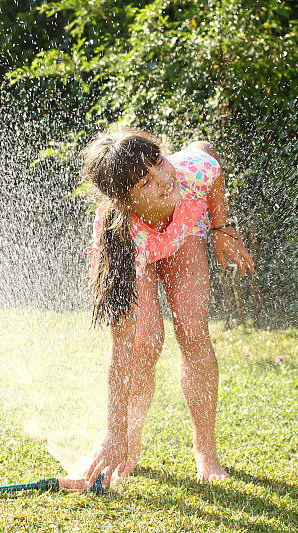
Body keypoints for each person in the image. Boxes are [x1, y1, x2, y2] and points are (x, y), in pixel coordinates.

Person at [80, 126, 255, 491]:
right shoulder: (118, 235)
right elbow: (120, 351)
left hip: (183, 233)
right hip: (139, 248)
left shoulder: (186, 172)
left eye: (158, 162)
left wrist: (221, 226)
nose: (162, 179)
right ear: (124, 201)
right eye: (145, 182)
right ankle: (127, 442)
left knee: (192, 332)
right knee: (144, 344)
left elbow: (210, 158)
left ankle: (205, 450)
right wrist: (113, 431)